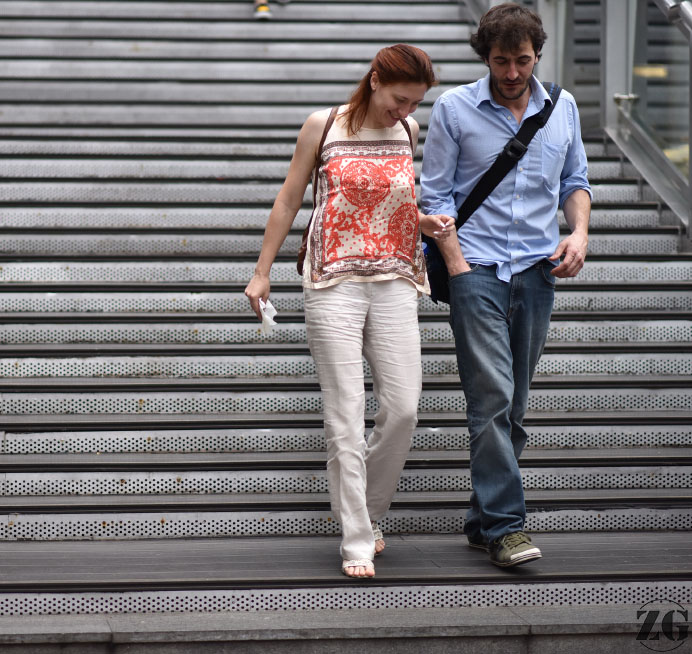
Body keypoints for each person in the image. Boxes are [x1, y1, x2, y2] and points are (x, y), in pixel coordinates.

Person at [244, 44, 451, 578]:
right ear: (375, 80)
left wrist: (423, 222)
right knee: (345, 415)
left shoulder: (407, 131)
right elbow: (289, 199)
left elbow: (391, 199)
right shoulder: (324, 125)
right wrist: (262, 271)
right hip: (333, 282)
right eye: (400, 99)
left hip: (396, 279)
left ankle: (367, 510)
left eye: (415, 103)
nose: (406, 111)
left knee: (403, 409)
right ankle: (357, 539)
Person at [419, 3, 591, 567]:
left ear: (537, 54)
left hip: (538, 272)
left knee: (513, 405)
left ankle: (481, 518)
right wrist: (456, 264)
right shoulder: (455, 108)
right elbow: (435, 195)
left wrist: (579, 233)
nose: (512, 73)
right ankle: (506, 526)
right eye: (500, 61)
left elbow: (575, 180)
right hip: (476, 270)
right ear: (485, 57)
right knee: (491, 397)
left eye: (522, 60)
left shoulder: (563, 106)